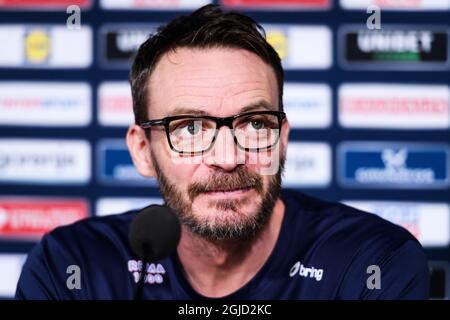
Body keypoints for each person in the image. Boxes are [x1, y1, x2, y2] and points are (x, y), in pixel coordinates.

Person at [16, 4, 429, 300]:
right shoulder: (73, 267)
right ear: (143, 150)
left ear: (282, 140)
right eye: (191, 128)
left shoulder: (371, 263)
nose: (228, 157)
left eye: (254, 124)